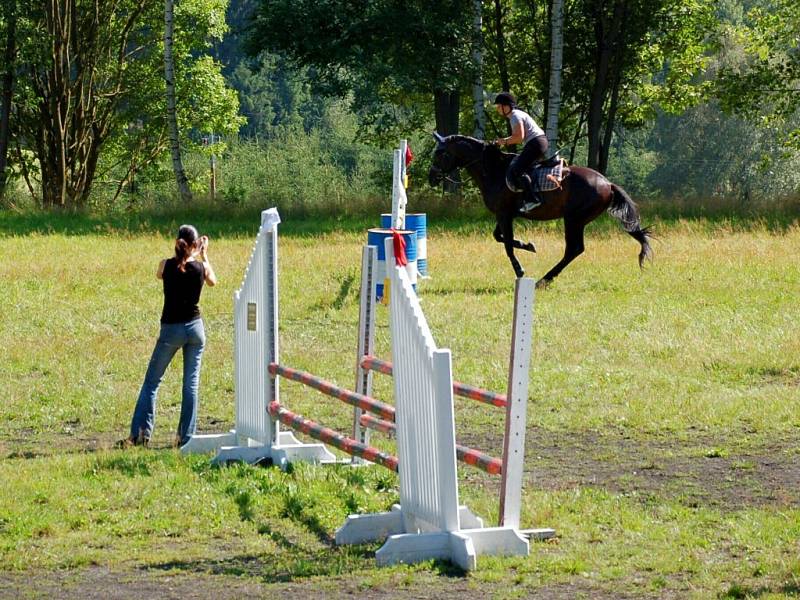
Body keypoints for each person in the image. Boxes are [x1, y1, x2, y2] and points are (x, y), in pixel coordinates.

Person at [119, 224, 217, 449]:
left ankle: (140, 435)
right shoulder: (201, 268)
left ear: (176, 242)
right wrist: (203, 254)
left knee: (152, 382)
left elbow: (159, 275)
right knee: (190, 384)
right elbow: (213, 281)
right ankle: (185, 438)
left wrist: (190, 254)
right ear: (194, 245)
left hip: (171, 330)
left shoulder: (165, 265)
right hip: (195, 328)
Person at [492, 91, 549, 212]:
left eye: (498, 106)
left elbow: (519, 137)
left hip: (535, 143)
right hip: (538, 142)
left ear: (506, 106)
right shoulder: (517, 114)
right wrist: (503, 141)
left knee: (517, 169)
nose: (497, 109)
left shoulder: (514, 116)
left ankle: (533, 199)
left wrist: (503, 141)